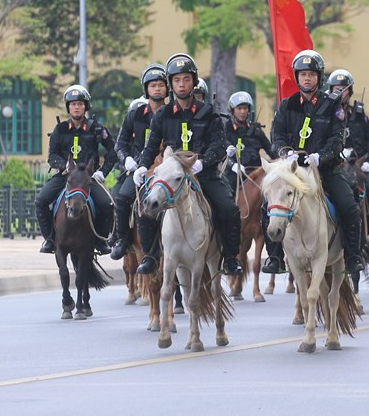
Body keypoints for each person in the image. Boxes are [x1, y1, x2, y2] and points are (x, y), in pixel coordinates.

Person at [133, 54, 243, 276]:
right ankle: (151, 255)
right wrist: (142, 167)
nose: (181, 84)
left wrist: (202, 163)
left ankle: (230, 258)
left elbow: (219, 147)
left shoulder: (209, 112)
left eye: (186, 79)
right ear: (170, 84)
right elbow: (151, 145)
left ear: (193, 81)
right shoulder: (162, 114)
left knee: (229, 209)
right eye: (176, 80)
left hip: (204, 174)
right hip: (171, 176)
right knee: (144, 205)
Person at [266, 49, 364, 275]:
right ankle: (275, 257)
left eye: (311, 74)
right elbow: (276, 135)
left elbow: (337, 138)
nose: (307, 78)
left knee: (349, 205)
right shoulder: (287, 105)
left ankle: (352, 256)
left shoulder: (332, 105)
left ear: (319, 77)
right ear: (297, 77)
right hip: (292, 170)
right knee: (268, 205)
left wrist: (321, 156)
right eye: (302, 74)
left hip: (325, 170)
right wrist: (285, 152)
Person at [35, 85, 116, 255]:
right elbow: (52, 156)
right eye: (72, 104)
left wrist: (102, 172)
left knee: (106, 204)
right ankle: (50, 239)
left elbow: (114, 151)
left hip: (88, 178)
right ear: (68, 107)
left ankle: (101, 240)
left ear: (86, 106)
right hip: (66, 177)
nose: (76, 107)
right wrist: (64, 165)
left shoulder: (97, 128)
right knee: (41, 201)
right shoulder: (60, 129)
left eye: (80, 104)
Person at [109, 64, 168, 261]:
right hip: (140, 168)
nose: (157, 88)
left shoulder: (174, 113)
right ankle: (123, 240)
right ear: (146, 90)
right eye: (153, 85)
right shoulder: (135, 114)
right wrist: (126, 160)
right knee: (123, 198)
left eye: (161, 85)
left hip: (167, 166)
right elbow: (121, 143)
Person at [327, 68, 369, 243]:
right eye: (337, 89)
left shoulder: (359, 115)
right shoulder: (326, 114)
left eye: (344, 89)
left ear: (349, 92)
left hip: (359, 165)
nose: (340, 93)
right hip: (335, 165)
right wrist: (335, 153)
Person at [222, 90, 274, 196]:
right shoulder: (226, 129)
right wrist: (233, 165)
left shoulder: (256, 130)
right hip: (235, 174)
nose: (242, 112)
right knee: (225, 198)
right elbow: (221, 152)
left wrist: (283, 157)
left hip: (257, 173)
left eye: (245, 108)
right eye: (239, 108)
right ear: (233, 111)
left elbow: (271, 150)